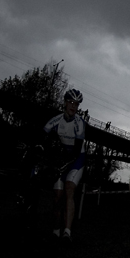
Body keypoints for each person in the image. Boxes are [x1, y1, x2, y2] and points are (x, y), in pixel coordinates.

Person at [42, 89, 86, 240]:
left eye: (77, 104)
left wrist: (64, 163)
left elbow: (76, 150)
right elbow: (41, 136)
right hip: (60, 158)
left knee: (69, 189)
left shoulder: (79, 123)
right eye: (71, 103)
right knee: (57, 196)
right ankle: (55, 229)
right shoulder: (55, 120)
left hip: (76, 159)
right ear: (65, 103)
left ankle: (67, 231)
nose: (74, 106)